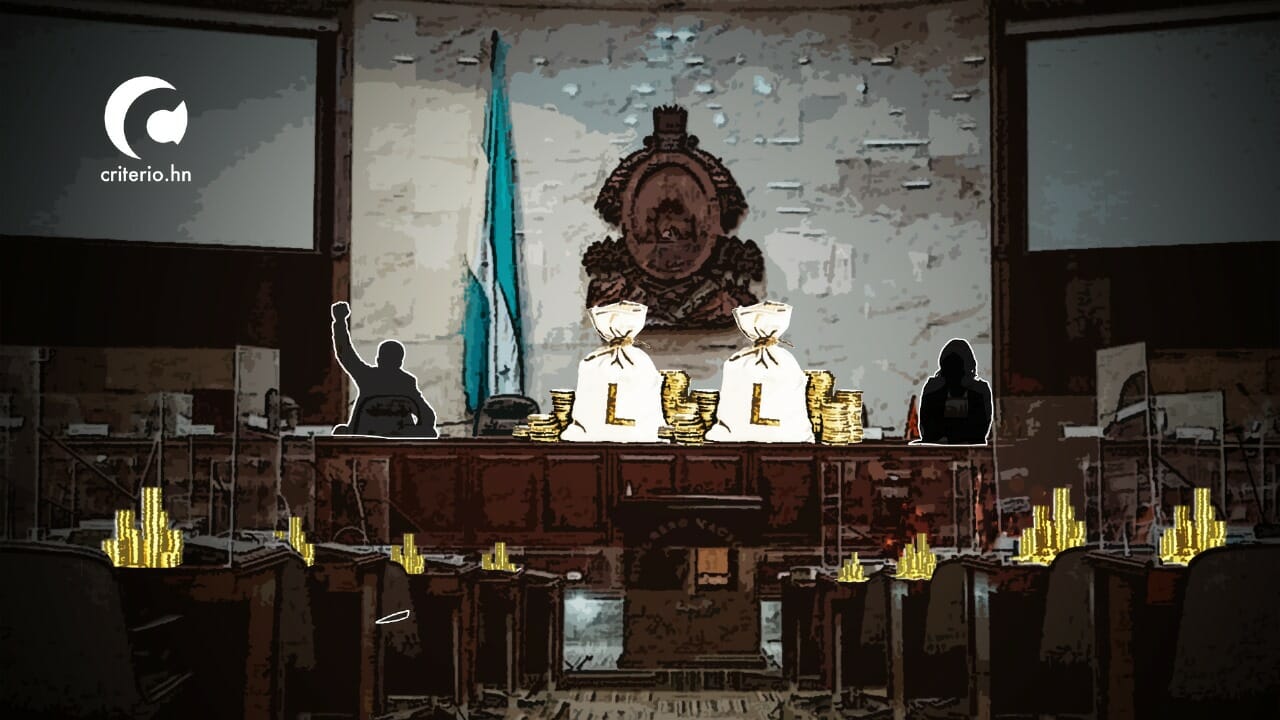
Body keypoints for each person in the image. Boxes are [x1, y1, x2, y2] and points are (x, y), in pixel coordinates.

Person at [331, 301, 438, 438]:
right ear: (400, 361)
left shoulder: (367, 377)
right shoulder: (406, 382)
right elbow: (428, 416)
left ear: (379, 359)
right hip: (399, 440)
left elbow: (345, 354)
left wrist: (340, 321)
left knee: (340, 432)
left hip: (365, 439)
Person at [916, 338, 992, 445]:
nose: (954, 373)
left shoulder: (979, 391)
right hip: (945, 448)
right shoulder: (933, 389)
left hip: (958, 448)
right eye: (951, 367)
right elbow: (927, 430)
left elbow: (979, 430)